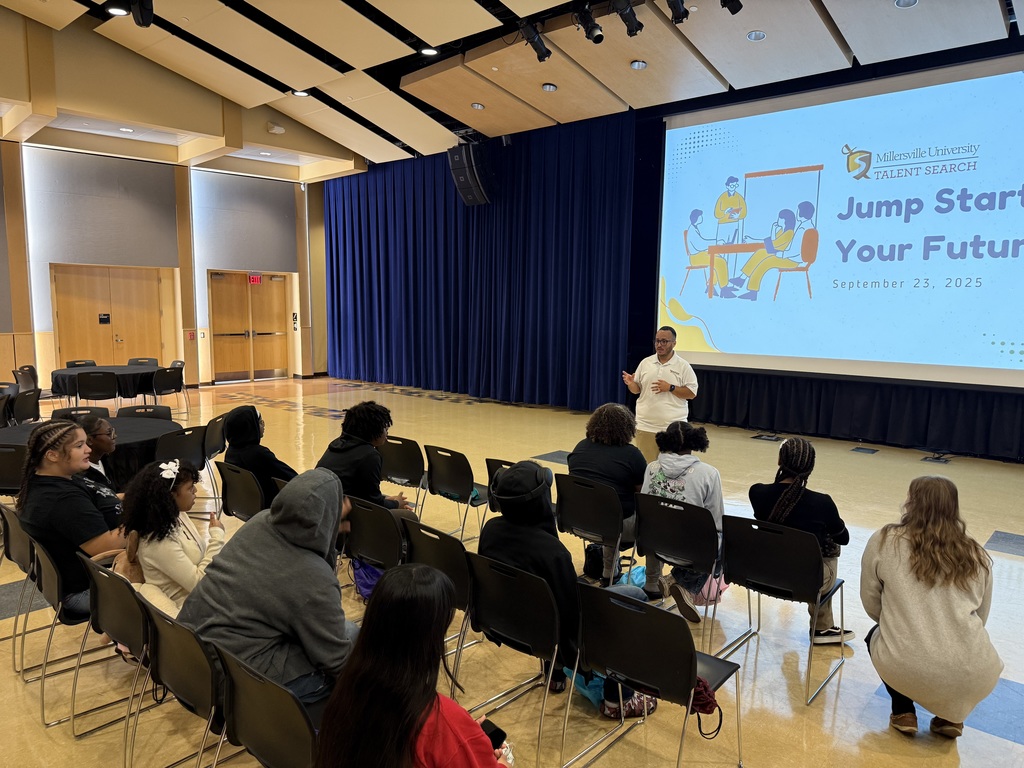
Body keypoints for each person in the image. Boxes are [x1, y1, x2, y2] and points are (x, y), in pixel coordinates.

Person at [479, 461, 656, 720]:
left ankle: (555, 675)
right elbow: (571, 615)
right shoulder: (552, 552)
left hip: (508, 625)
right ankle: (617, 699)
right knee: (635, 598)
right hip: (554, 637)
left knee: (545, 600)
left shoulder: (490, 531)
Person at [178, 468, 358, 704]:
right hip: (228, 687)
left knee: (345, 632)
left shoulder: (259, 522)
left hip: (183, 657)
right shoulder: (314, 578)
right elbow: (337, 661)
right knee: (352, 649)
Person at [315, 564, 512, 767]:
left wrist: (463, 737)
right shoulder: (439, 722)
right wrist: (501, 762)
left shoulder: (347, 691)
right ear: (430, 639)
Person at [861, 476, 1002, 738]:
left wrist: (897, 622)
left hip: (905, 663)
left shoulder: (884, 540)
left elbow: (871, 602)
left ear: (911, 503)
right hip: (975, 671)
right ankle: (951, 717)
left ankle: (903, 710)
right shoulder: (978, 555)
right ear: (953, 507)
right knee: (949, 657)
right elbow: (981, 616)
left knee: (874, 637)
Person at [748, 437, 854, 644]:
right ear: (810, 468)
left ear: (780, 461)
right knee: (830, 545)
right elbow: (845, 538)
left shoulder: (757, 492)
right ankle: (821, 628)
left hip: (762, 573)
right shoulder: (822, 503)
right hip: (805, 582)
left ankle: (822, 627)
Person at [16, 420, 126, 617]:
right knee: (173, 579)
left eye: (86, 442)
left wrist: (140, 494)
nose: (88, 449)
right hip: (88, 590)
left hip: (90, 578)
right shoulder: (62, 501)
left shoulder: (57, 477)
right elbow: (106, 547)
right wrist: (144, 514)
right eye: (79, 445)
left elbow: (101, 497)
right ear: (52, 455)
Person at [640, 421, 724, 622]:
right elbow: (716, 522)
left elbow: (644, 508)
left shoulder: (651, 467)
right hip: (690, 552)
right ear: (695, 442)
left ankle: (674, 579)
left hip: (654, 544)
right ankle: (682, 582)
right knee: (722, 541)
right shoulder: (709, 473)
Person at [121, 459, 225, 614]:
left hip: (205, 596)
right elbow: (199, 583)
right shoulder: (158, 542)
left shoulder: (175, 515)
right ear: (170, 496)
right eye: (190, 488)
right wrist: (217, 537)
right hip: (192, 610)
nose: (196, 491)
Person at [567, 404, 648, 586]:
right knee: (653, 517)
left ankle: (609, 572)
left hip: (578, 519)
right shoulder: (632, 455)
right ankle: (651, 583)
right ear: (628, 428)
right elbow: (643, 495)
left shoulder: (580, 447)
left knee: (606, 509)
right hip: (616, 526)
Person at [316, 400, 415, 520]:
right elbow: (373, 504)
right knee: (409, 517)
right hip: (344, 516)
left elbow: (362, 494)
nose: (387, 431)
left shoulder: (336, 443)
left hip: (325, 508)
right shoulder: (370, 455)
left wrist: (384, 500)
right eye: (384, 427)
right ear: (373, 430)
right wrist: (397, 503)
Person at [621, 326, 698, 463]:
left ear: (674, 343)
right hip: (646, 426)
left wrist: (671, 388)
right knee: (647, 468)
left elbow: (691, 393)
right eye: (657, 341)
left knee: (673, 470)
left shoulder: (683, 366)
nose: (659, 345)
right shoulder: (646, 363)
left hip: (673, 428)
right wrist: (631, 383)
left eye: (664, 341)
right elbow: (637, 390)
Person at [223, 405, 297, 506]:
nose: (263, 424)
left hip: (245, 505)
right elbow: (291, 477)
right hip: (268, 506)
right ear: (250, 427)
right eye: (260, 421)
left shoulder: (230, 452)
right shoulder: (259, 455)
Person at [721, 208, 797, 300]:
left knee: (763, 260)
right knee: (761, 252)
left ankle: (749, 287)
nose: (778, 220)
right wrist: (773, 230)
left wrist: (753, 240)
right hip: (775, 254)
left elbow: (773, 245)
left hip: (784, 258)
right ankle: (743, 280)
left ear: (785, 220)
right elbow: (772, 242)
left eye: (780, 218)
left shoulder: (789, 233)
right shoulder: (782, 231)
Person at [76, 414, 121, 493]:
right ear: (89, 440)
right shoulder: (81, 473)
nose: (115, 436)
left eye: (113, 431)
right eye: (109, 433)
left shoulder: (107, 460)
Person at [685, 209, 728, 292]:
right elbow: (699, 245)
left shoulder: (695, 228)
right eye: (700, 216)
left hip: (700, 255)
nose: (702, 218)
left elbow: (702, 243)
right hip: (695, 258)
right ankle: (724, 289)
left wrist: (716, 242)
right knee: (720, 262)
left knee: (719, 257)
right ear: (696, 218)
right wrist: (716, 242)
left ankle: (711, 286)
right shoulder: (692, 230)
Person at [714, 175, 747, 244]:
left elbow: (744, 212)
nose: (734, 187)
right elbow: (716, 214)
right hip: (722, 224)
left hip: (734, 224)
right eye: (732, 186)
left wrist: (738, 216)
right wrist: (724, 212)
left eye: (735, 186)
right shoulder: (722, 197)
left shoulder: (739, 197)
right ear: (727, 186)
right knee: (720, 246)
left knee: (733, 246)